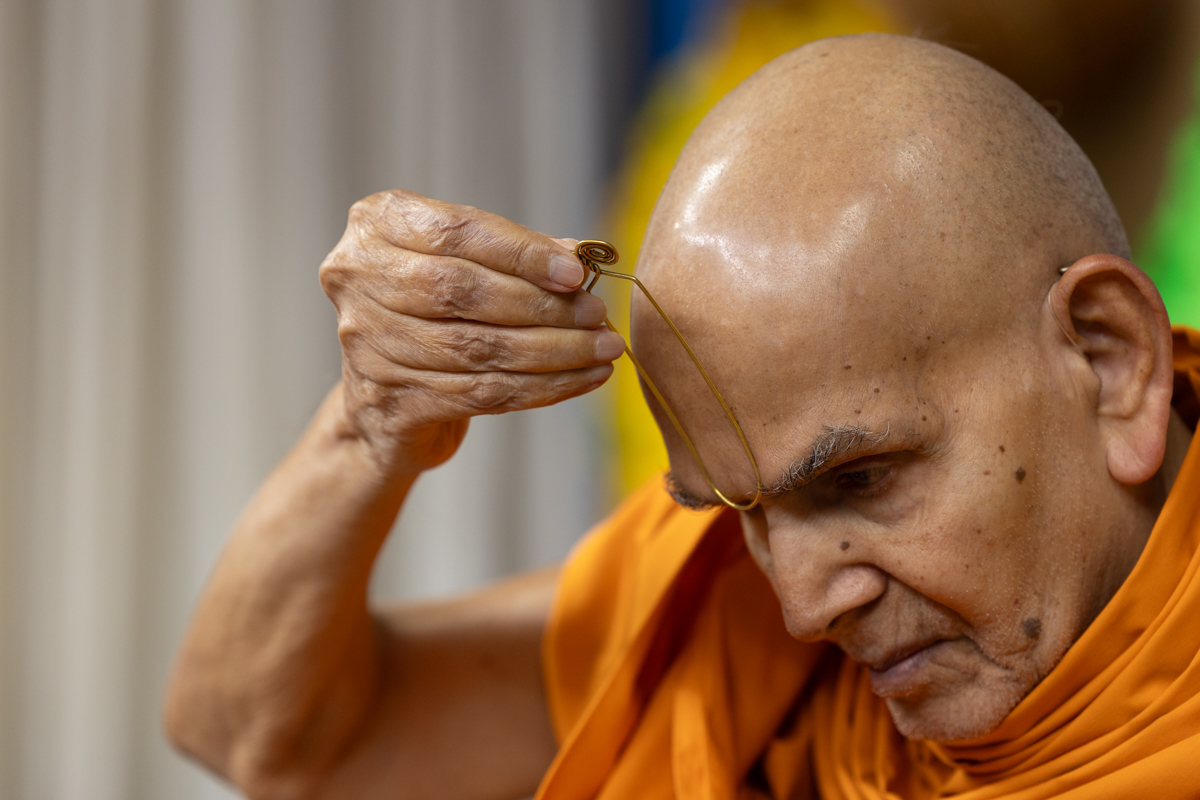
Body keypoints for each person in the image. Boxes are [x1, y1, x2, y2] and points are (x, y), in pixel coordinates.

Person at [165, 34, 1200, 799]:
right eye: (745, 513)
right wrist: (367, 425)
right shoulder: (727, 606)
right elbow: (262, 737)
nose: (803, 610)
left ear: (1112, 359)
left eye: (860, 479)